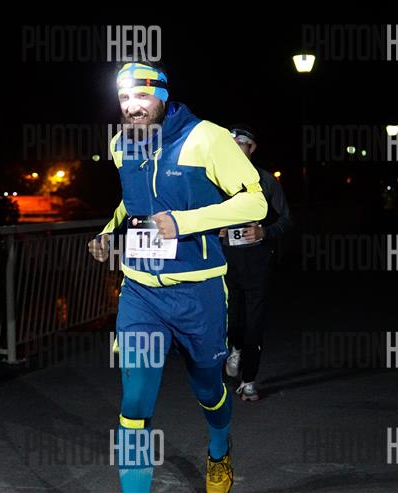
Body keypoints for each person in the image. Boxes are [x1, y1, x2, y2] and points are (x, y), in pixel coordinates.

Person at [87, 62, 267, 493]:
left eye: (142, 96)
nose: (132, 107)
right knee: (135, 400)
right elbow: (131, 203)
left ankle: (219, 449)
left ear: (164, 97)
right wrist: (108, 232)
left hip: (198, 292)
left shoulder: (207, 138)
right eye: (124, 98)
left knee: (209, 391)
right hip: (141, 293)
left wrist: (183, 222)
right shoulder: (120, 144)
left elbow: (255, 203)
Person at [222, 124, 293, 402]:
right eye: (231, 145)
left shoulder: (267, 181)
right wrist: (214, 229)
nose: (235, 150)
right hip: (227, 263)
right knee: (231, 319)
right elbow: (201, 214)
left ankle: (249, 381)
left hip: (258, 263)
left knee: (255, 323)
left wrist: (265, 232)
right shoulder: (217, 180)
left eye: (240, 144)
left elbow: (287, 220)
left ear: (251, 148)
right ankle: (235, 349)